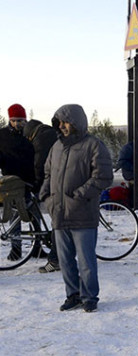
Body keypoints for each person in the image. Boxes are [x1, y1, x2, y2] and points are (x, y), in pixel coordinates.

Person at [39, 104, 113, 313]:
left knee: (86, 260)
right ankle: (72, 294)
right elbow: (47, 174)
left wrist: (79, 195)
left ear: (76, 122)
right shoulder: (56, 147)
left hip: (82, 214)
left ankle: (89, 296)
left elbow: (103, 177)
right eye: (59, 123)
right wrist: (46, 196)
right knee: (64, 260)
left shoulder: (94, 145)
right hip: (59, 214)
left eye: (65, 122)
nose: (61, 126)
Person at [23, 119, 61, 273]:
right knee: (58, 222)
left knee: (58, 222)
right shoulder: (48, 135)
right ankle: (55, 258)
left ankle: (55, 257)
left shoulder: (42, 138)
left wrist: (37, 182)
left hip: (51, 183)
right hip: (55, 184)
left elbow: (40, 164)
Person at [0, 104, 36, 263]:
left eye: (21, 120)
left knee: (34, 213)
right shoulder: (2, 135)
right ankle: (16, 249)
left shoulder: (29, 134)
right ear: (10, 120)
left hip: (31, 179)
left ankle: (38, 248)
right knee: (15, 215)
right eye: (15, 120)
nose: (18, 124)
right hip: (12, 181)